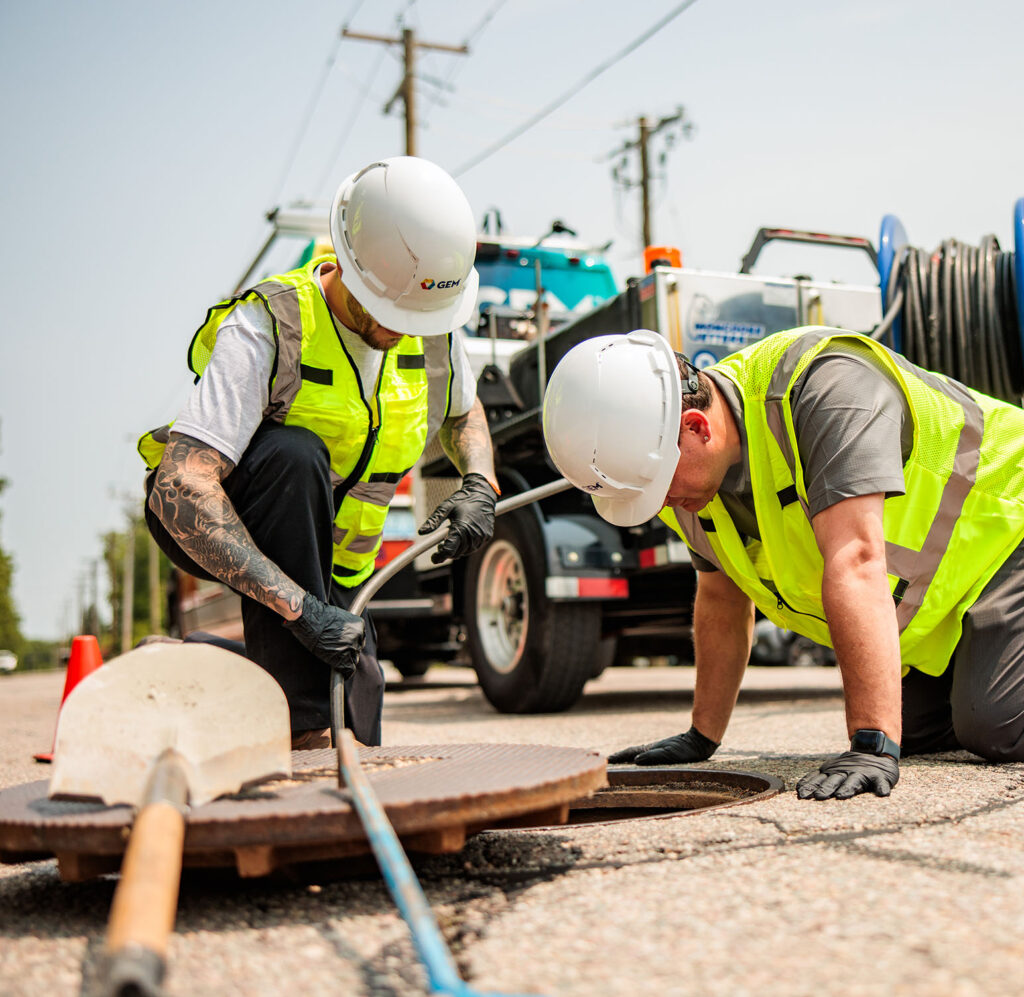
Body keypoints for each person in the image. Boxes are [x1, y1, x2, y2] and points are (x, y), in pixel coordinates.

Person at [542, 326, 1024, 800]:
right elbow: (721, 600)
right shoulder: (689, 481)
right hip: (958, 592)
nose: (662, 503)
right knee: (913, 729)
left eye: (658, 486)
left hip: (1010, 535)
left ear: (695, 427)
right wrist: (701, 736)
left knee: (993, 725)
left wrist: (871, 743)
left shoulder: (828, 387)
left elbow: (855, 557)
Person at [139, 156, 499, 750]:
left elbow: (465, 413)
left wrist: (480, 482)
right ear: (353, 273)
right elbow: (181, 484)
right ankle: (304, 738)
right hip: (222, 522)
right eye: (392, 314)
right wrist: (301, 611)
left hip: (335, 561)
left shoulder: (430, 324)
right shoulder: (270, 322)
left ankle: (197, 659)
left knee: (360, 709)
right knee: (293, 453)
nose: (407, 331)